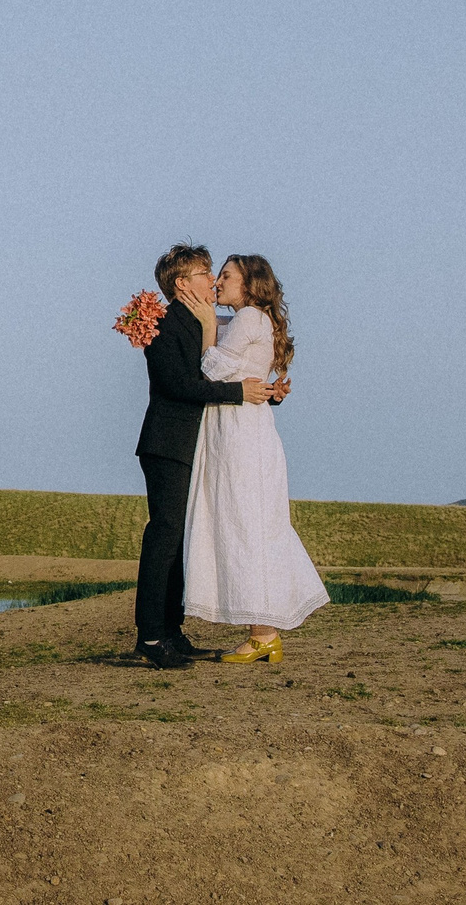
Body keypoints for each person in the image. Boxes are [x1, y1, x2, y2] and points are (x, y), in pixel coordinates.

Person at [133, 242, 284, 670]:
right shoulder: (162, 325)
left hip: (195, 447)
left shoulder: (203, 322)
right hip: (168, 445)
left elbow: (232, 369)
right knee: (163, 535)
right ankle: (150, 635)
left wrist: (265, 394)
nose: (213, 281)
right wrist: (240, 392)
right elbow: (182, 385)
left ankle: (172, 631)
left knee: (177, 538)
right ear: (182, 284)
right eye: (204, 273)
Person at [182, 253, 329, 661]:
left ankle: (264, 633)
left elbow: (212, 369)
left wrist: (209, 325)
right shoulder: (252, 320)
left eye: (225, 276)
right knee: (250, 523)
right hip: (247, 429)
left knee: (243, 524)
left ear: (248, 284)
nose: (218, 283)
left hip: (238, 434)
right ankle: (263, 631)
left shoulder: (247, 318)